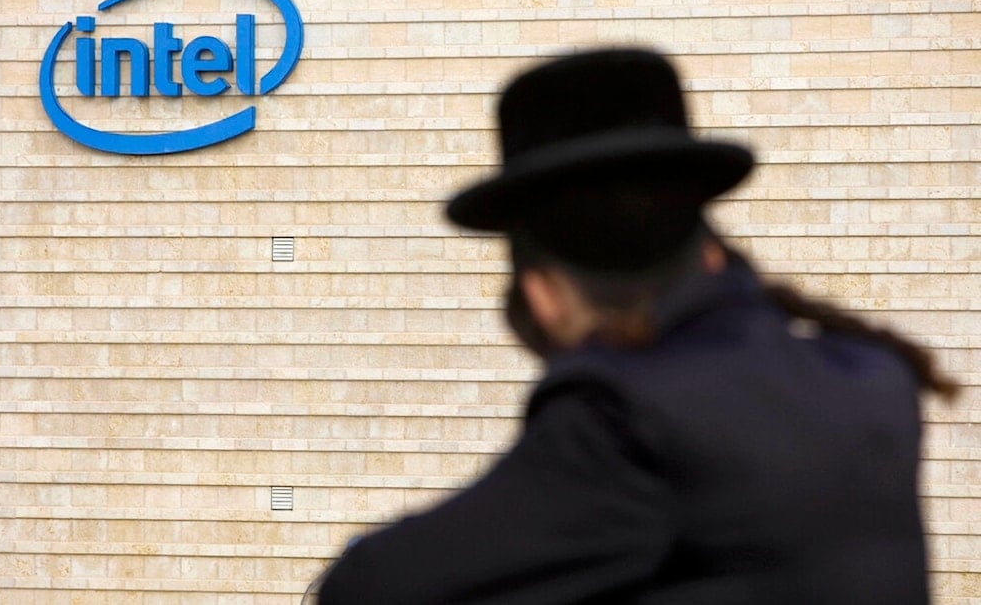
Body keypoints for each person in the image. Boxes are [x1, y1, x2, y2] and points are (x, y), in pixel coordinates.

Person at [306, 47, 956, 604]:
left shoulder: (627, 418)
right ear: (708, 249)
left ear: (545, 294)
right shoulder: (871, 377)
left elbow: (370, 586)